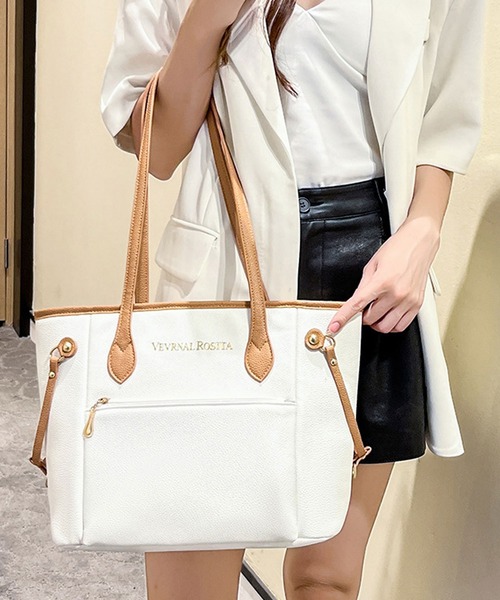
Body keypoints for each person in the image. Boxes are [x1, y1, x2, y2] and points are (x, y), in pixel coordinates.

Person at [99, 0, 486, 598]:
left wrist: (424, 230)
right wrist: (209, 17)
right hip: (229, 268)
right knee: (191, 574)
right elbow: (161, 148)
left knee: (326, 579)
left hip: (372, 276)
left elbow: (446, 107)